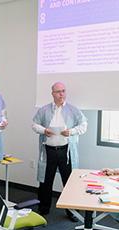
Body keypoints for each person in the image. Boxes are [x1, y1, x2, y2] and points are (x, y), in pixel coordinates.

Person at [32, 82, 87, 220]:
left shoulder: (73, 110)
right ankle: (43, 208)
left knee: (69, 182)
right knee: (45, 182)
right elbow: (34, 124)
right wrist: (44, 130)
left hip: (66, 152)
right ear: (52, 93)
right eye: (58, 91)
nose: (61, 94)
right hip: (49, 151)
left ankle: (72, 211)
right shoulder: (44, 110)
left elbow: (84, 125)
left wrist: (72, 131)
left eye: (63, 91)